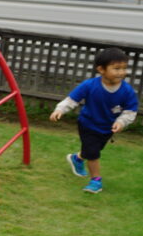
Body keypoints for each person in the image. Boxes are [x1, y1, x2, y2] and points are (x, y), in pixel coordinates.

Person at [49, 47, 138, 194]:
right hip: (87, 124)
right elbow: (72, 99)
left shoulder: (127, 91)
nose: (121, 72)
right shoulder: (89, 85)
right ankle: (96, 181)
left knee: (93, 150)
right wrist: (60, 110)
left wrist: (121, 122)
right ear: (101, 69)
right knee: (93, 153)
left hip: (107, 128)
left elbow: (130, 111)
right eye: (116, 68)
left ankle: (77, 158)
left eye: (124, 68)